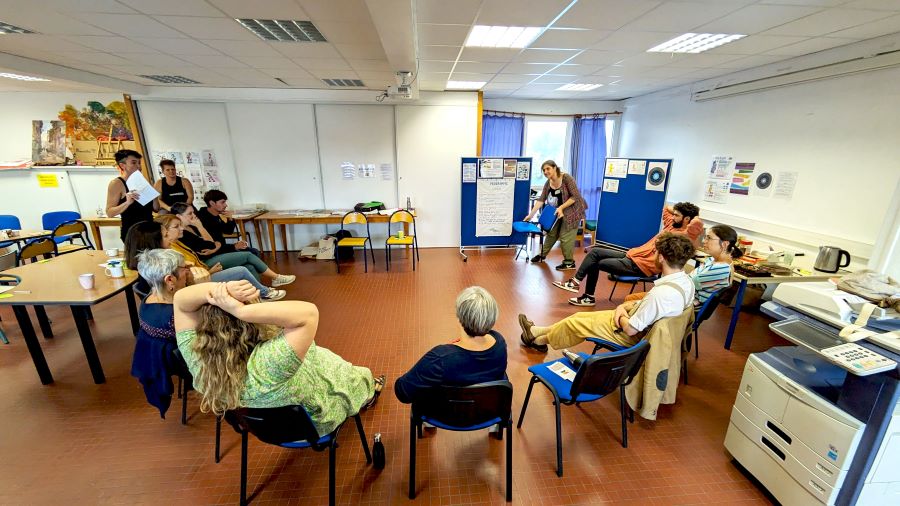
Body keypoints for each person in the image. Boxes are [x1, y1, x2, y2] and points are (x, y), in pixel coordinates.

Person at [173, 280, 386, 436]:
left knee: (324, 361)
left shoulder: (198, 360)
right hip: (314, 422)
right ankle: (368, 389)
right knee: (356, 377)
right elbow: (308, 313)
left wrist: (221, 291)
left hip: (261, 428)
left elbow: (179, 300)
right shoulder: (268, 363)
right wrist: (241, 310)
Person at [520, 233, 696, 352]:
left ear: (662, 258)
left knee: (575, 323)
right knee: (578, 318)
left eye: (655, 253)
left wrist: (620, 311)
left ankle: (538, 340)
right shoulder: (686, 283)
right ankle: (536, 333)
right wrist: (632, 305)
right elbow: (655, 309)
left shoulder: (661, 294)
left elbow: (630, 329)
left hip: (632, 338)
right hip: (645, 327)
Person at [553, 202, 703, 307]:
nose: (674, 216)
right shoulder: (672, 224)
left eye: (678, 215)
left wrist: (693, 215)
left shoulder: (684, 236)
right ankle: (576, 283)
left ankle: (587, 297)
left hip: (640, 267)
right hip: (631, 256)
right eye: (675, 214)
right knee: (596, 251)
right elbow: (666, 209)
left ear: (687, 219)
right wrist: (680, 211)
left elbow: (697, 225)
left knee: (594, 263)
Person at [395, 286, 507, 404]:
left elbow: (402, 392)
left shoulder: (440, 359)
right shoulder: (500, 344)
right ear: (492, 317)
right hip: (487, 413)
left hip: (446, 419)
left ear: (459, 317)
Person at [143, 215, 287, 301]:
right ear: (164, 231)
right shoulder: (168, 251)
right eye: (176, 226)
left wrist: (212, 240)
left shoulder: (180, 241)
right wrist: (211, 269)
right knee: (244, 266)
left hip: (205, 267)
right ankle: (265, 291)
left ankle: (258, 298)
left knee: (249, 262)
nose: (181, 228)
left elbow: (209, 246)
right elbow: (190, 272)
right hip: (204, 272)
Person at [169, 203, 293, 287]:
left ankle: (260, 293)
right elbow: (211, 245)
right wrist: (202, 229)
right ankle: (275, 278)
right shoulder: (183, 233)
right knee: (249, 254)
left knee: (249, 264)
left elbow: (216, 242)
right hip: (206, 262)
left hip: (215, 254)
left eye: (193, 213)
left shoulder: (192, 227)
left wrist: (218, 242)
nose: (194, 216)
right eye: (190, 214)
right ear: (178, 216)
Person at [131, 249, 191, 418]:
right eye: (184, 268)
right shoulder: (174, 316)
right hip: (190, 364)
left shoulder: (149, 299)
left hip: (168, 360)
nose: (188, 270)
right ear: (170, 279)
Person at [625, 225, 742, 308]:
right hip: (682, 297)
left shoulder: (721, 269)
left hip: (685, 305)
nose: (704, 241)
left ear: (725, 244)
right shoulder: (712, 260)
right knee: (632, 299)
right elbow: (690, 279)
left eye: (709, 238)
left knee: (631, 301)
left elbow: (688, 282)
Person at [522, 160, 586, 271]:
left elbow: (576, 197)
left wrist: (561, 207)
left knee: (565, 237)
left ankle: (569, 262)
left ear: (555, 168)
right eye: (544, 170)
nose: (546, 172)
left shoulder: (567, 179)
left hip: (572, 211)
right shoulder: (548, 183)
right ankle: (542, 254)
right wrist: (530, 215)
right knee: (551, 233)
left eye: (548, 169)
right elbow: (541, 199)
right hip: (558, 212)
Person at [106, 149, 155, 242]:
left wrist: (154, 194)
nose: (139, 166)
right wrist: (127, 203)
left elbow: (156, 208)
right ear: (122, 165)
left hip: (150, 230)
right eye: (134, 163)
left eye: (139, 163)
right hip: (132, 233)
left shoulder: (143, 182)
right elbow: (109, 212)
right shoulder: (116, 183)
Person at [195, 189, 260, 256]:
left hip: (222, 248)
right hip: (215, 252)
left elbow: (228, 231)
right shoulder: (203, 218)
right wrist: (234, 246)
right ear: (212, 203)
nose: (226, 205)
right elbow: (213, 245)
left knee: (253, 252)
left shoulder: (215, 214)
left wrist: (230, 218)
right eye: (222, 202)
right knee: (253, 252)